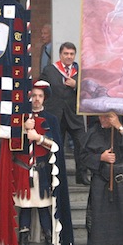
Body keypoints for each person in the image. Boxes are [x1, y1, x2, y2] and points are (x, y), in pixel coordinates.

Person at [0, 80, 74, 245]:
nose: (36, 99)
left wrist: (39, 138)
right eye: (34, 95)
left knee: (44, 208)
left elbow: (56, 146)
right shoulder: (18, 118)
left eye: (40, 96)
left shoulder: (51, 119)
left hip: (42, 171)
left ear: (45, 98)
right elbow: (10, 145)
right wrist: (22, 129)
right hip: (22, 170)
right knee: (25, 208)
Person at [81, 112, 123, 245]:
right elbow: (82, 157)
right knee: (98, 214)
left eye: (108, 116)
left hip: (120, 177)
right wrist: (100, 157)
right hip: (101, 177)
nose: (103, 119)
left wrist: (119, 126)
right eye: (101, 116)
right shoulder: (93, 132)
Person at [40, 42, 90, 185]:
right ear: (60, 55)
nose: (69, 56)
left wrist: (77, 85)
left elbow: (89, 91)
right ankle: (56, 176)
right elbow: (41, 90)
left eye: (71, 54)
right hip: (55, 114)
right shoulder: (49, 70)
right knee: (56, 146)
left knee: (81, 144)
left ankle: (82, 175)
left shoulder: (81, 72)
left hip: (75, 114)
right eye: (66, 54)